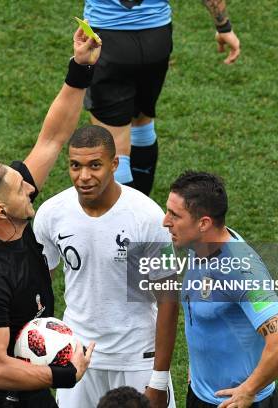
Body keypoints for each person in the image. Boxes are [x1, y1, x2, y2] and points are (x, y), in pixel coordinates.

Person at [0, 27, 101, 407]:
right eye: (20, 188)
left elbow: (52, 138)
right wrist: (64, 375)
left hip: (31, 389)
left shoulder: (8, 216)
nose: (30, 186)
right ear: (1, 211)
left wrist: (80, 69)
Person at [33, 125, 178, 408]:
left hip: (137, 356)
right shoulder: (51, 214)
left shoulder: (147, 217)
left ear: (114, 164)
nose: (84, 176)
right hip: (76, 355)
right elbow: (38, 286)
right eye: (76, 166)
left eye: (95, 165)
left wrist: (159, 378)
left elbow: (169, 299)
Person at [162, 171, 278, 408]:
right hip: (200, 395)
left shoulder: (242, 272)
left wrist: (248, 390)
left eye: (175, 215)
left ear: (204, 223)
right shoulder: (200, 245)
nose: (165, 221)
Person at [83, 0, 241, 196]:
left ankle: (124, 222)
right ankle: (141, 207)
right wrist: (223, 26)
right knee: (142, 124)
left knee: (114, 143)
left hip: (107, 39)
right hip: (156, 40)